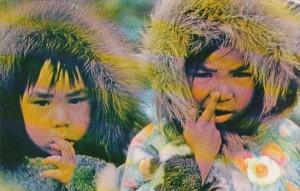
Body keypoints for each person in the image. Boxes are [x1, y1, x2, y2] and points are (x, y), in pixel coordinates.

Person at [120, 0, 300, 190]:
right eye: (204, 74)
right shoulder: (150, 144)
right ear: (178, 76)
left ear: (264, 80)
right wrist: (196, 162)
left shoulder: (289, 139)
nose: (222, 93)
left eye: (240, 75)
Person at [0, 1, 146, 190]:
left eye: (75, 100)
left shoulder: (136, 163)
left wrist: (83, 181)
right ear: (12, 106)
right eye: (42, 102)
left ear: (98, 103)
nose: (61, 119)